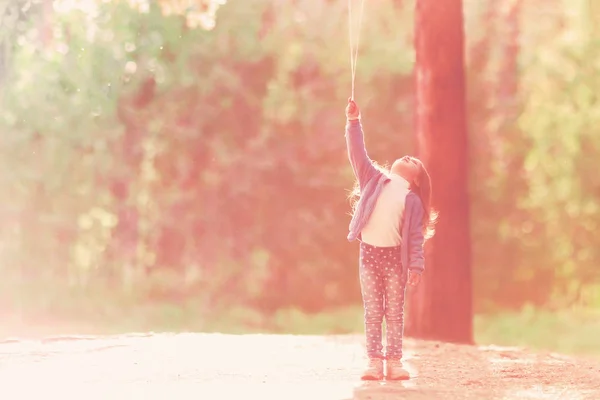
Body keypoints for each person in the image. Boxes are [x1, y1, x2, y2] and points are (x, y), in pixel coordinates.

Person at [344, 98, 436, 381]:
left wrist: (416, 267)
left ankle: (394, 362)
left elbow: (415, 239)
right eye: (408, 156)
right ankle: (374, 362)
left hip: (395, 260)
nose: (409, 157)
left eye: (415, 162)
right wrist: (353, 122)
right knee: (373, 312)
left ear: (416, 180)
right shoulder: (374, 178)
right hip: (369, 256)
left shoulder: (411, 199)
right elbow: (357, 154)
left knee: (394, 313)